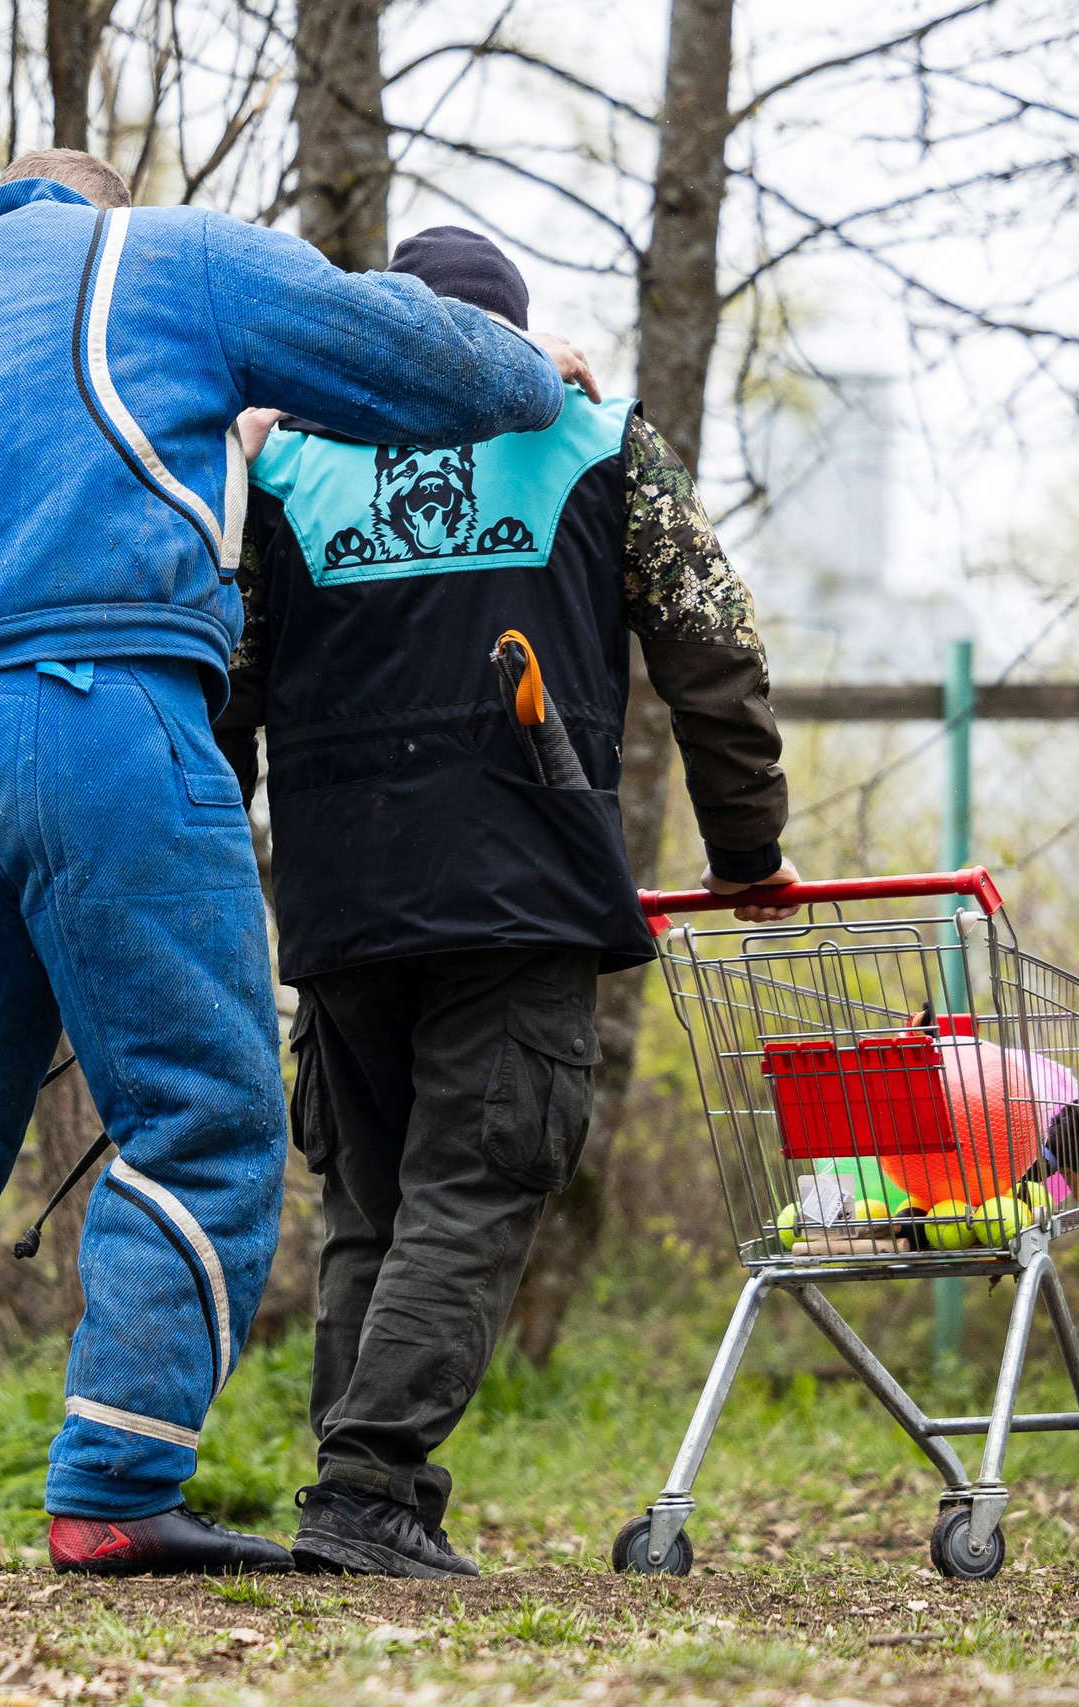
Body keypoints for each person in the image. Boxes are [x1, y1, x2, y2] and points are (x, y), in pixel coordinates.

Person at [0, 155, 601, 1578]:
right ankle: (114, 1490)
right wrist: (522, 356)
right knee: (199, 1111)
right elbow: (433, 367)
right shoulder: (172, 259)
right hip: (103, 718)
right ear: (101, 201)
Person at [210, 226, 800, 1580]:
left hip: (343, 902)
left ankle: (363, 1500)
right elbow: (714, 648)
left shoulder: (286, 469)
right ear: (509, 334)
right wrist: (748, 851)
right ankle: (368, 1496)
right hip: (520, 884)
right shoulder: (595, 442)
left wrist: (217, 876)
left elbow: (224, 684)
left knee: (372, 1207)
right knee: (474, 1186)